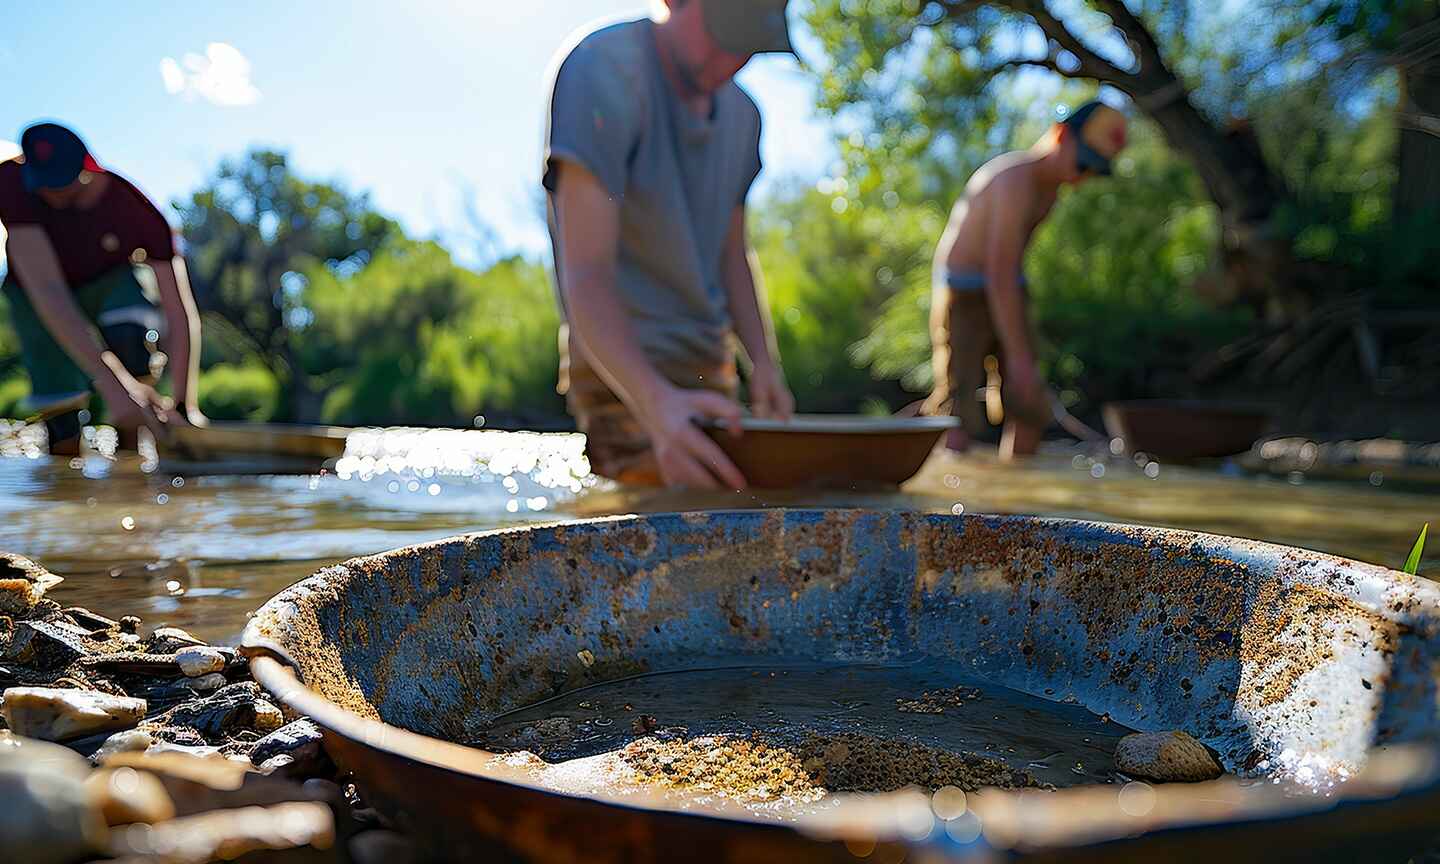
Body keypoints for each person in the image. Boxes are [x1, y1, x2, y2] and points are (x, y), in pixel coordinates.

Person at [543, 0, 796, 490]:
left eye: (749, 44)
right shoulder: (603, 69)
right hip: (620, 370)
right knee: (643, 513)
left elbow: (733, 256)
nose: (731, 58)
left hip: (709, 368)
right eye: (725, 32)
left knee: (736, 513)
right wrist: (656, 403)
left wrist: (764, 366)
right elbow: (587, 272)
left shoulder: (745, 117)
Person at [922, 101, 1128, 460]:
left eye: (1094, 171)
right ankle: (949, 502)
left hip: (1006, 287)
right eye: (1083, 163)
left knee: (1028, 401)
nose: (1082, 178)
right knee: (958, 407)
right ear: (1061, 135)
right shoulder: (1014, 179)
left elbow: (1009, 274)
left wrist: (1022, 366)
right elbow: (998, 270)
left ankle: (1014, 502)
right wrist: (1017, 358)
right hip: (963, 292)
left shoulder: (1052, 191)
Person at [0, 122, 204, 455]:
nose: (46, 192)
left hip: (109, 286)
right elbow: (50, 293)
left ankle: (132, 459)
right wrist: (111, 383)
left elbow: (179, 311)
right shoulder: (11, 182)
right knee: (61, 414)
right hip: (37, 298)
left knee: (130, 327)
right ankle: (68, 484)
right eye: (40, 182)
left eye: (58, 183)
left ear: (88, 170)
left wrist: (184, 403)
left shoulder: (138, 211)